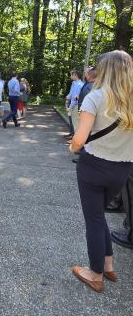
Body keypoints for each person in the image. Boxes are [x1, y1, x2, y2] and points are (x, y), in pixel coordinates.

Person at [69, 50, 133, 293]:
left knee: (93, 220)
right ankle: (108, 264)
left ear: (103, 70)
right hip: (122, 168)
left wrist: (73, 147)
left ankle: (95, 274)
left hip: (94, 166)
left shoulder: (95, 98)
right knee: (99, 217)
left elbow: (79, 139)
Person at [64, 70, 84, 140]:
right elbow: (71, 93)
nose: (70, 76)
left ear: (76, 75)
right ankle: (73, 135)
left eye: (71, 75)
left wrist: (70, 107)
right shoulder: (75, 83)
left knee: (75, 122)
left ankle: (75, 139)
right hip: (74, 104)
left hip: (75, 105)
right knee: (73, 121)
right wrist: (68, 97)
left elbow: (75, 98)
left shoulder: (78, 85)